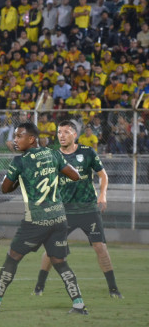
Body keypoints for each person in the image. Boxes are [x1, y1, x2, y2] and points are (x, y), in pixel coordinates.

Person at [0, 122, 87, 314]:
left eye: (19, 136)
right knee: (59, 262)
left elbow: (5, 188)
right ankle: (79, 305)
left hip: (36, 220)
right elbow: (75, 175)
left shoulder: (21, 161)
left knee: (13, 257)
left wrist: (20, 180)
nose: (15, 140)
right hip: (59, 218)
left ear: (31, 139)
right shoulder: (53, 154)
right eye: (15, 136)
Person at [32, 121, 121, 298]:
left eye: (66, 132)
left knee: (100, 247)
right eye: (59, 132)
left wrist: (102, 195)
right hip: (64, 211)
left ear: (75, 135)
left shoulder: (87, 152)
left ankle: (113, 289)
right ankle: (39, 287)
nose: (61, 135)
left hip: (88, 209)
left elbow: (103, 175)